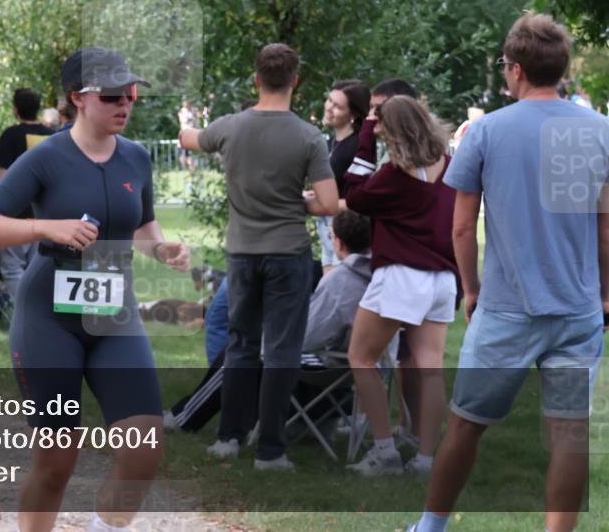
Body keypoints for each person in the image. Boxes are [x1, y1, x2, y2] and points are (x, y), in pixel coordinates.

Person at [0, 47, 190, 532]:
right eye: (111, 96)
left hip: (114, 317)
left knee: (144, 449)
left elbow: (141, 225)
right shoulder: (45, 157)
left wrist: (162, 248)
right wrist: (46, 228)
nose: (124, 104)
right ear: (77, 98)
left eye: (130, 94)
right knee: (57, 462)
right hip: (49, 321)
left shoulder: (136, 157)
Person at [408, 13, 609, 532]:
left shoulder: (486, 131)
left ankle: (431, 526)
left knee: (466, 425)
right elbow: (606, 227)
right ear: (562, 68)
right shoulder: (601, 132)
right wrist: (605, 297)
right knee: (568, 436)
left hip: (506, 309)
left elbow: (461, 228)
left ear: (516, 69)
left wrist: (470, 290)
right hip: (577, 309)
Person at [179, 42, 338, 470]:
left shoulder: (230, 127)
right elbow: (328, 203)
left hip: (242, 253)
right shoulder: (308, 136)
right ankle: (270, 450)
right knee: (282, 351)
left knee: (241, 345)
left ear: (256, 80)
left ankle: (228, 437)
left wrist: (189, 131)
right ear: (294, 81)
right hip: (288, 254)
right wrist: (293, 200)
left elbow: (188, 139)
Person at [164, 209, 372, 433]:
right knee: (250, 345)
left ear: (338, 242)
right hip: (351, 362)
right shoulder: (375, 275)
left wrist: (273, 331)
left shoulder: (340, 281)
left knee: (241, 351)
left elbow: (309, 336)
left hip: (328, 363)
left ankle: (184, 417)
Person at [343, 95, 457, 477]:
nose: (376, 129)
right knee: (431, 369)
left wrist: (364, 136)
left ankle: (384, 452)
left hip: (402, 276)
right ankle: (426, 460)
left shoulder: (394, 176)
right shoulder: (449, 166)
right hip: (442, 279)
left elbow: (355, 195)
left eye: (380, 125)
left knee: (361, 357)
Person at [0, 88, 54, 297]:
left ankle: (21, 310)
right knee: (37, 266)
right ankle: (37, 309)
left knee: (12, 267)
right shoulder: (52, 136)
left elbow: (3, 175)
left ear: (15, 110)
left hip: (16, 213)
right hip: (45, 212)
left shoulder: (11, 135)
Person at [315, 80, 370, 272]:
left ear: (353, 114)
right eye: (329, 100)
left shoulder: (357, 147)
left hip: (346, 230)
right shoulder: (332, 142)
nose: (329, 108)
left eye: (337, 106)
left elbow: (362, 199)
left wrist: (315, 202)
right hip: (327, 226)